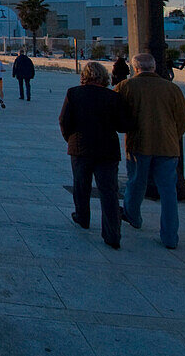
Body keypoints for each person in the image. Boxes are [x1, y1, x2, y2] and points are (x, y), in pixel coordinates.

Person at [116, 53, 185, 249]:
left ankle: (133, 217)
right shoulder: (172, 89)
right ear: (154, 67)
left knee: (136, 183)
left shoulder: (126, 87)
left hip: (139, 145)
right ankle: (170, 236)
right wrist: (173, 135)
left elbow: (115, 112)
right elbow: (183, 118)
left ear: (135, 68)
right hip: (167, 147)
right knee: (168, 192)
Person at [59, 62, 126, 249]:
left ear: (85, 76)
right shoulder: (113, 97)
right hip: (107, 150)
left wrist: (70, 140)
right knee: (109, 192)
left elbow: (64, 121)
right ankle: (112, 234)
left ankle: (82, 217)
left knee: (81, 186)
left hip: (81, 148)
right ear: (104, 76)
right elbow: (122, 125)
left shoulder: (74, 93)